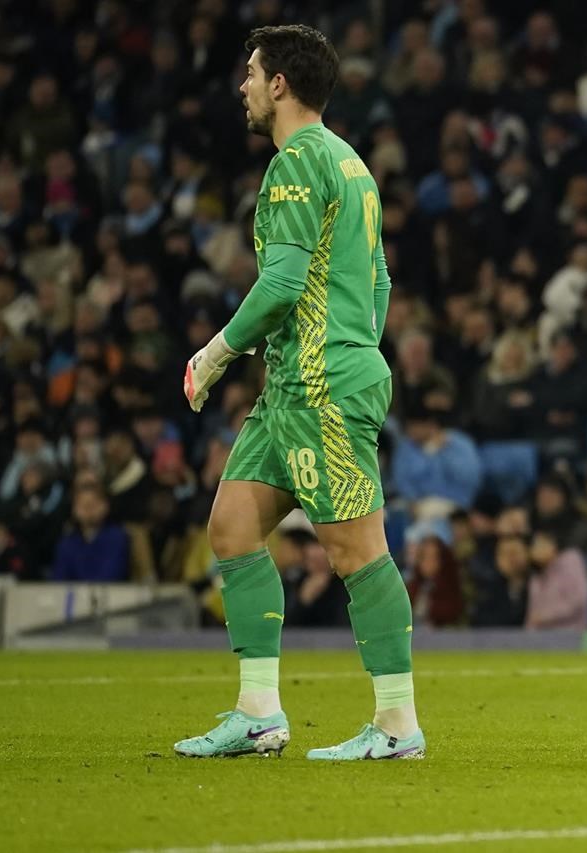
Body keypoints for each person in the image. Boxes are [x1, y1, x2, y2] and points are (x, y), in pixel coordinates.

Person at [175, 25, 424, 762]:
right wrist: (355, 337)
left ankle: (397, 722)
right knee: (232, 526)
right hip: (294, 385)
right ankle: (258, 713)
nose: (245, 87)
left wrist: (215, 353)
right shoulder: (352, 165)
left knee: (355, 550)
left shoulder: (293, 166)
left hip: (319, 386)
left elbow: (281, 285)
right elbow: (376, 280)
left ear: (280, 83)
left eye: (252, 74)